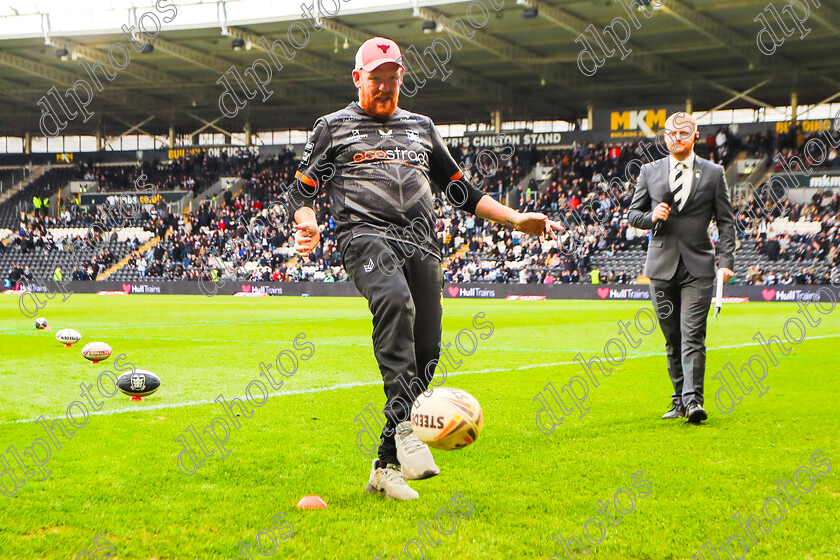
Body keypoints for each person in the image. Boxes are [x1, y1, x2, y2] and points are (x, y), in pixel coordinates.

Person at [289, 37, 560, 500]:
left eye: (393, 78)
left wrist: (516, 219)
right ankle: (408, 431)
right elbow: (301, 191)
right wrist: (309, 223)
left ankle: (384, 466)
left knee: (428, 350)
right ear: (358, 78)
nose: (385, 86)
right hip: (365, 237)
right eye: (376, 78)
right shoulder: (331, 128)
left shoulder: (422, 127)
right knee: (394, 299)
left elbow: (462, 190)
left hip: (423, 244)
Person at [628, 112, 736, 425]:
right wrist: (652, 217)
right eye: (672, 134)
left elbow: (726, 223)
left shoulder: (714, 173)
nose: (677, 138)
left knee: (693, 337)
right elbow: (633, 214)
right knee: (672, 338)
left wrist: (726, 262)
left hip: (699, 268)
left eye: (684, 134)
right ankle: (678, 400)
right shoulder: (649, 171)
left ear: (695, 136)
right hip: (661, 266)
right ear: (665, 137)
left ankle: (693, 403)